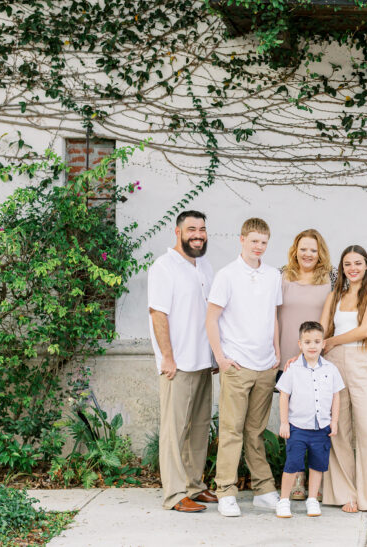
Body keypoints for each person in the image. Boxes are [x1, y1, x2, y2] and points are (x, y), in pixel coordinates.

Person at [205, 217, 283, 517]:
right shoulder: (226, 275)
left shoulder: (273, 275)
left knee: (256, 431)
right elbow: (211, 319)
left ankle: (264, 490)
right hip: (237, 365)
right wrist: (221, 358)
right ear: (242, 239)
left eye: (263, 242)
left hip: (265, 365)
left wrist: (277, 351)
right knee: (231, 431)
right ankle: (226, 491)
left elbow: (272, 317)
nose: (258, 247)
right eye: (254, 241)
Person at [147, 210, 216, 513]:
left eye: (202, 229)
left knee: (198, 429)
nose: (198, 235)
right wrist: (167, 357)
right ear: (178, 232)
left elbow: (210, 314)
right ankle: (174, 494)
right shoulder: (164, 267)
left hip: (202, 361)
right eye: (191, 230)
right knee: (174, 431)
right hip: (178, 364)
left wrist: (213, 354)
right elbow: (158, 314)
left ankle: (194, 485)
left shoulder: (205, 266)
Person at [317, 245, 367, 514]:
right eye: (347, 264)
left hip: (360, 360)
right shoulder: (334, 295)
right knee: (338, 430)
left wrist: (332, 341)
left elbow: (365, 329)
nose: (353, 268)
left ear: (366, 265)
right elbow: (322, 330)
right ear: (342, 268)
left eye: (358, 263)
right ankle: (345, 494)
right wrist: (311, 350)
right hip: (333, 362)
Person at [278, 229, 334, 501]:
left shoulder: (331, 278)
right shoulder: (282, 276)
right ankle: (296, 476)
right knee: (294, 417)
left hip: (316, 357)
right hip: (286, 356)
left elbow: (333, 316)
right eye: (303, 249)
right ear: (295, 250)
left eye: (313, 249)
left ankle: (316, 480)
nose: (308, 254)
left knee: (316, 417)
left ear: (320, 252)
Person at [275, 321, 343, 519]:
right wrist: (284, 422)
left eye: (316, 341)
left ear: (323, 344)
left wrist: (334, 421)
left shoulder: (330, 369)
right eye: (307, 342)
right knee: (292, 464)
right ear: (300, 344)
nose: (312, 346)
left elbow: (336, 396)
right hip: (297, 427)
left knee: (317, 465)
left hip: (321, 427)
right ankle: (284, 501)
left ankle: (312, 499)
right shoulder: (293, 369)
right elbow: (284, 396)